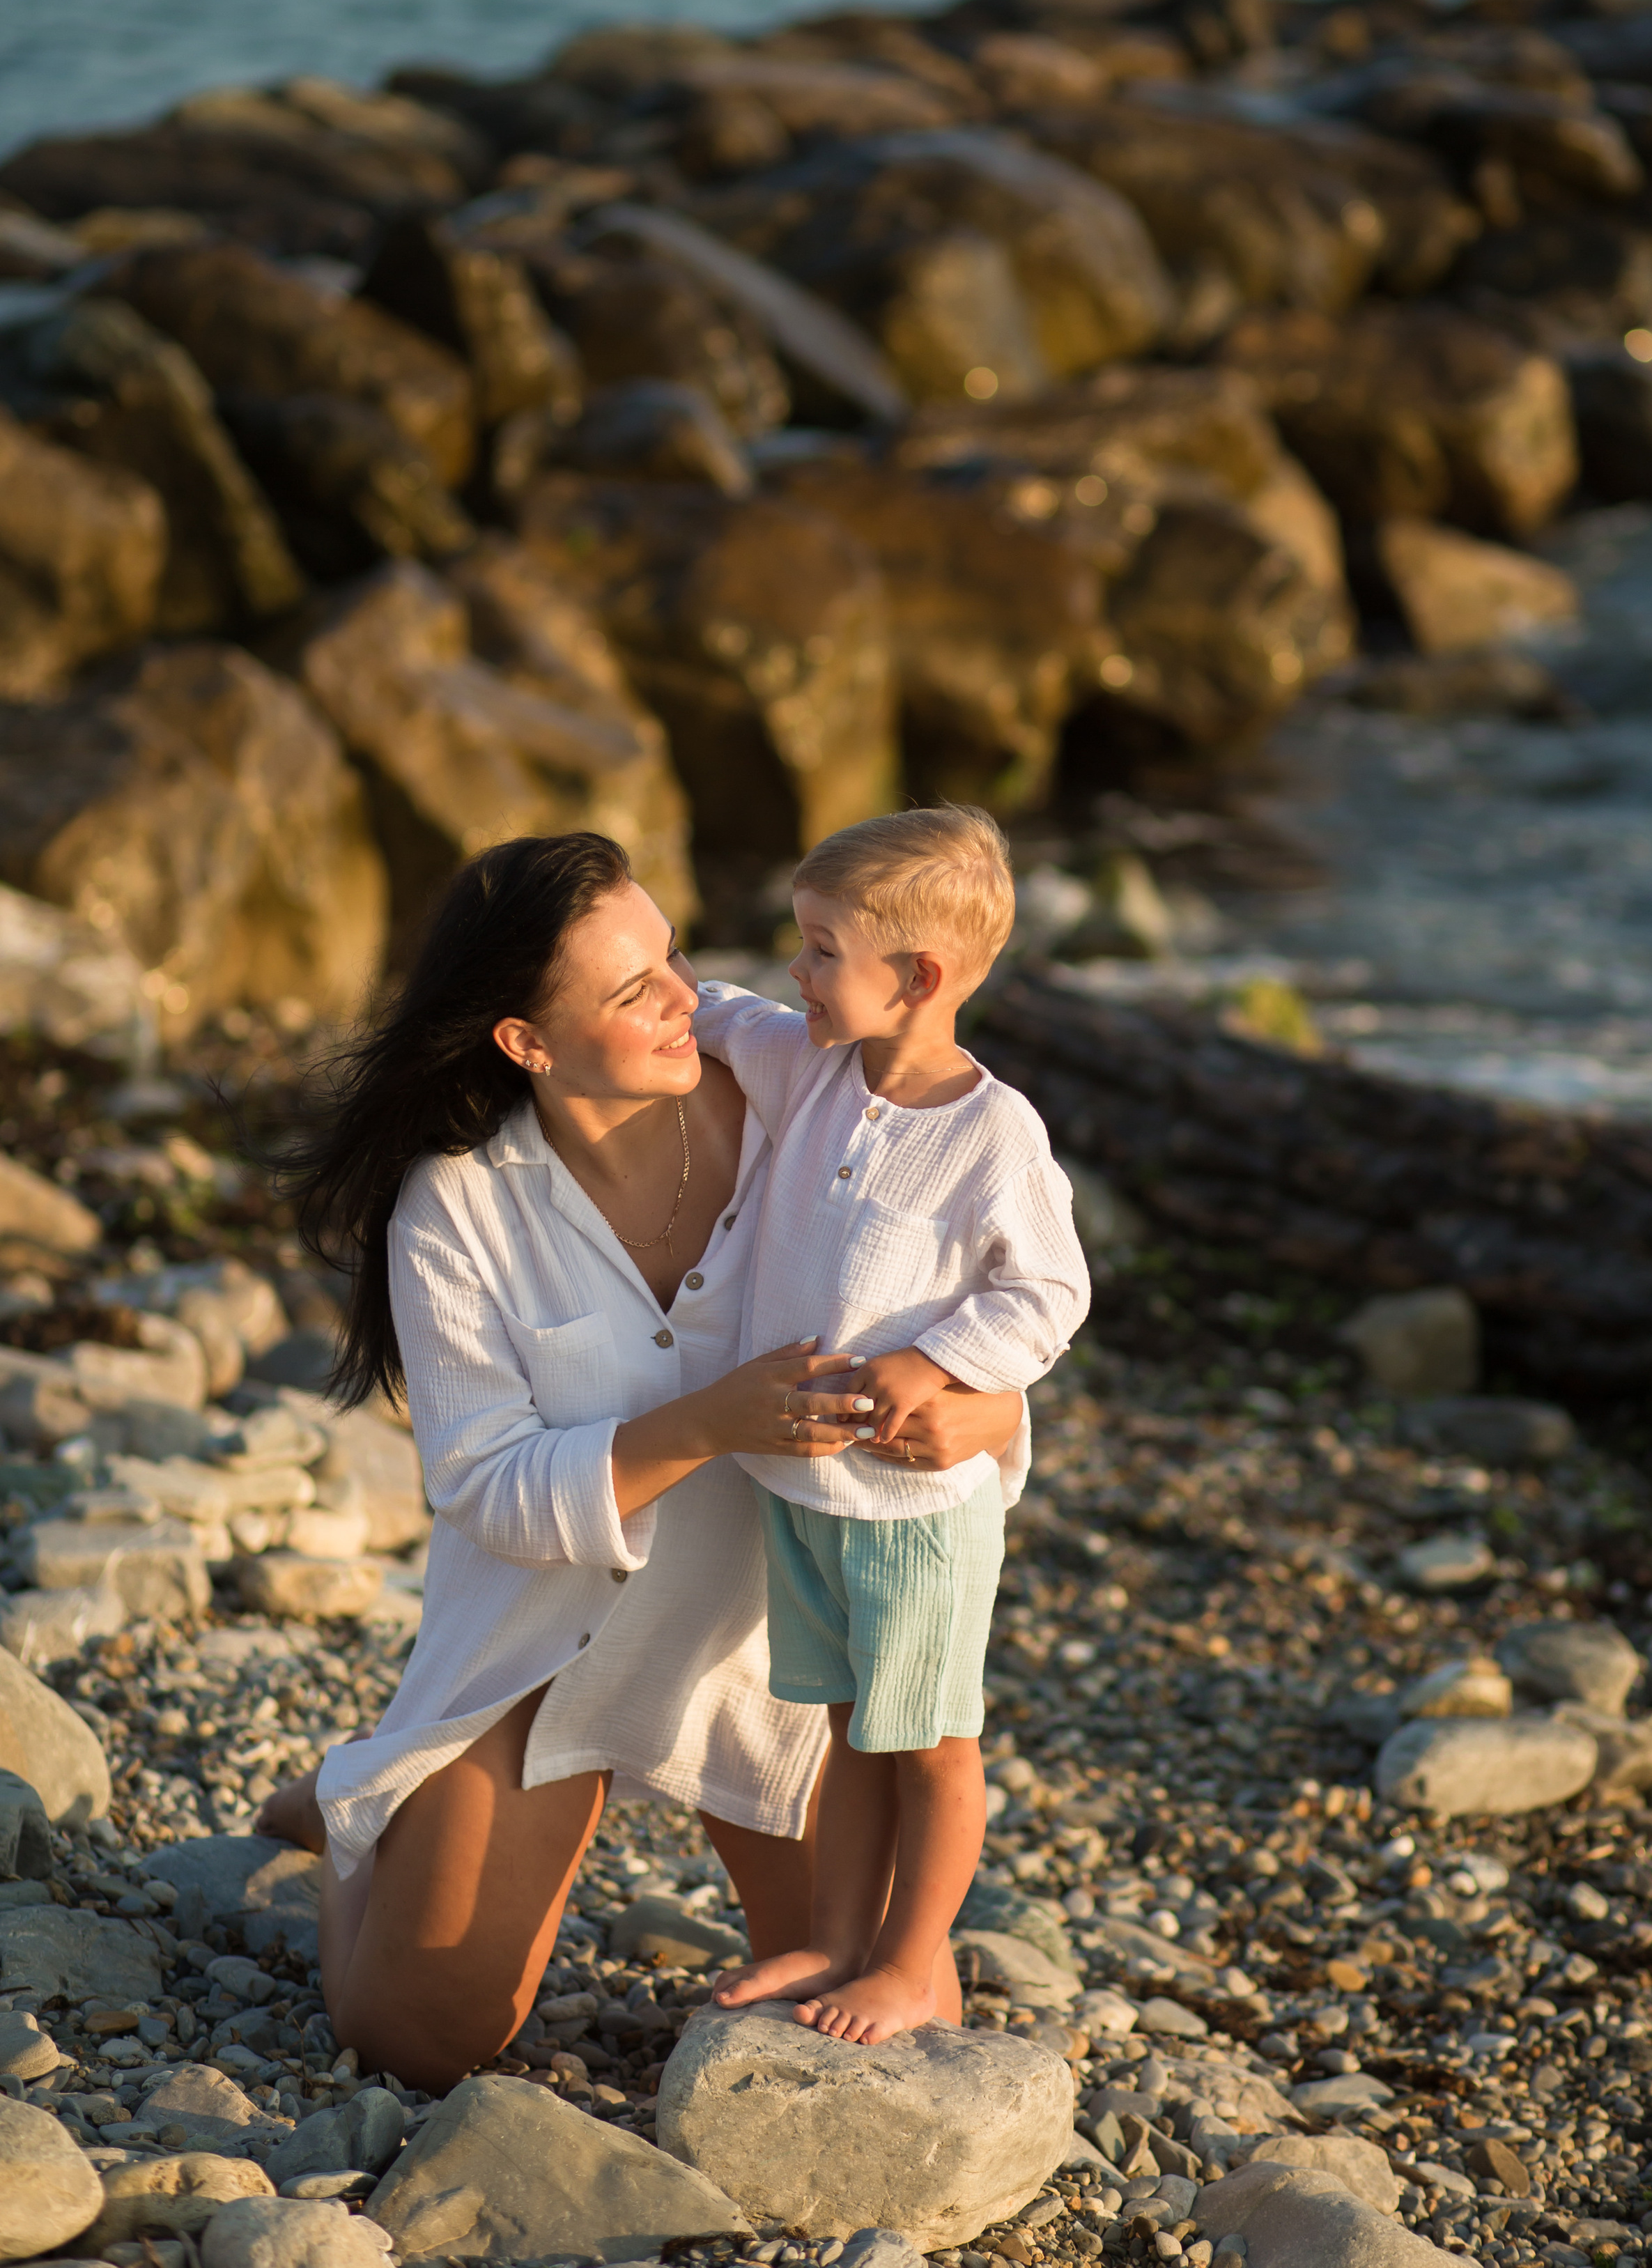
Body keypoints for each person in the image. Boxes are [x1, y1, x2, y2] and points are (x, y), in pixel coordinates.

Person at [256, 830, 1023, 2094]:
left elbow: (962, 1312)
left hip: (785, 1647)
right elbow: (485, 1488)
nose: (689, 998)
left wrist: (990, 1417)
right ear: (527, 1043)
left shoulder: (807, 1097)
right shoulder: (457, 1202)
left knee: (898, 2011)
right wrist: (709, 1421)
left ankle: (388, 1812)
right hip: (550, 1645)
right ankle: (349, 1815)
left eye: (671, 953)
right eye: (634, 990)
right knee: (414, 2040)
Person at [698, 806, 1090, 2046]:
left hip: (916, 1512)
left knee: (932, 1745)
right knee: (846, 1731)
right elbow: (708, 1008)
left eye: (820, 951)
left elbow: (1050, 1293)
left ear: (917, 978)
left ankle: (915, 1966)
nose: (796, 975)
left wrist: (937, 1360)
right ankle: (838, 1935)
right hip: (807, 1493)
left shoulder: (993, 1134)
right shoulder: (814, 1062)